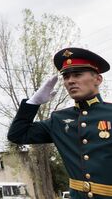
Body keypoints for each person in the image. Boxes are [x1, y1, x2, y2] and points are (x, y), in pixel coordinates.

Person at [8, 47, 112, 198]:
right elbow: (17, 135)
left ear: (98, 79)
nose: (70, 81)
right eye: (66, 77)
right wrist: (33, 103)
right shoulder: (59, 120)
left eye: (77, 75)